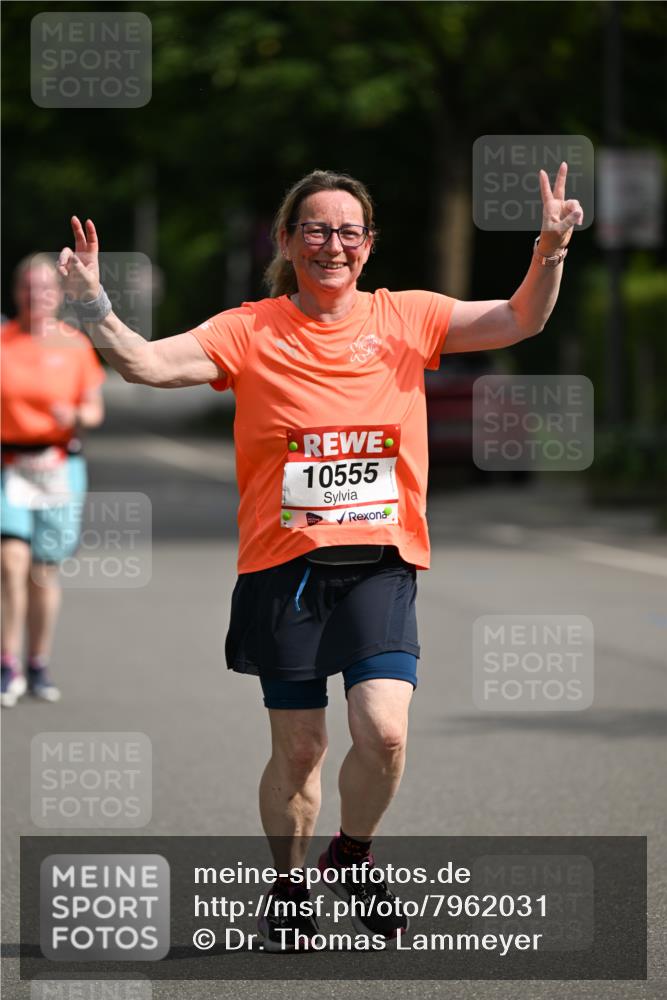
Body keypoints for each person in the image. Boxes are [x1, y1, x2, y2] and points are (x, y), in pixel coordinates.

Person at [55, 166, 582, 950]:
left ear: (367, 247)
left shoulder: (407, 317)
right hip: (284, 569)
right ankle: (289, 884)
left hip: (378, 560)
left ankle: (352, 853)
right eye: (315, 229)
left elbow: (516, 321)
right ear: (286, 240)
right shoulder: (250, 328)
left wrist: (550, 248)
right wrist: (96, 305)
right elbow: (147, 365)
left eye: (347, 232)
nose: (331, 244)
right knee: (299, 748)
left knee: (385, 732)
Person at [1, 255, 105, 707]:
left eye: (44, 287)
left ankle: (38, 661)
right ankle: (8, 663)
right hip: (8, 465)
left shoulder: (75, 346)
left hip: (58, 465)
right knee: (10, 561)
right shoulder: (3, 342)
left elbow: (94, 410)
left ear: (58, 295)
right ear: (16, 292)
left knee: (43, 570)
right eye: (27, 287)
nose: (35, 295)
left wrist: (76, 414)